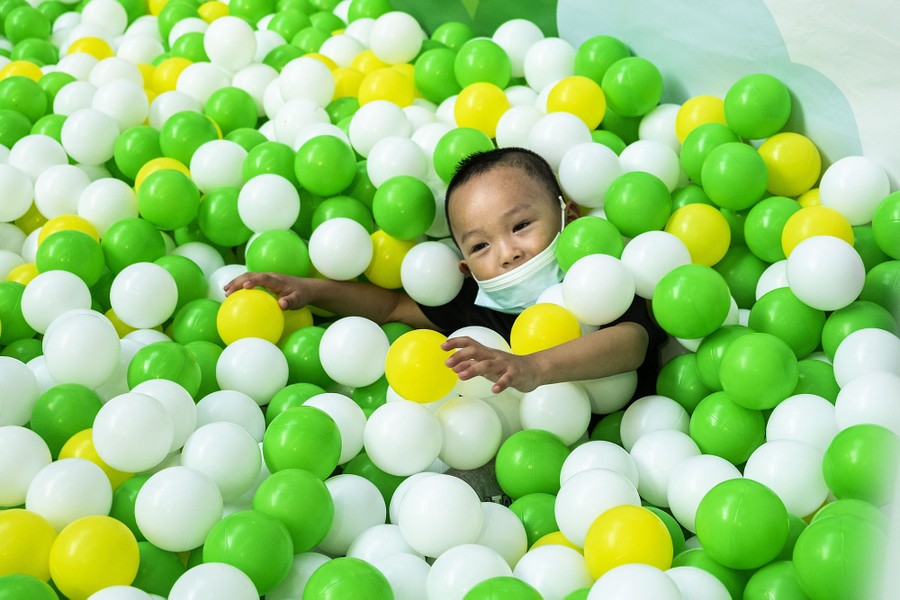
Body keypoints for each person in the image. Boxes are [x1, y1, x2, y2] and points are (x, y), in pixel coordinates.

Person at [224, 146, 663, 398]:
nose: (508, 253)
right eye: (481, 246)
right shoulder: (479, 308)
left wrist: (532, 366)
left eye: (522, 225)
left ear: (571, 214)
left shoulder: (603, 277)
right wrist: (310, 290)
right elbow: (392, 304)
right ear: (465, 269)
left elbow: (633, 343)